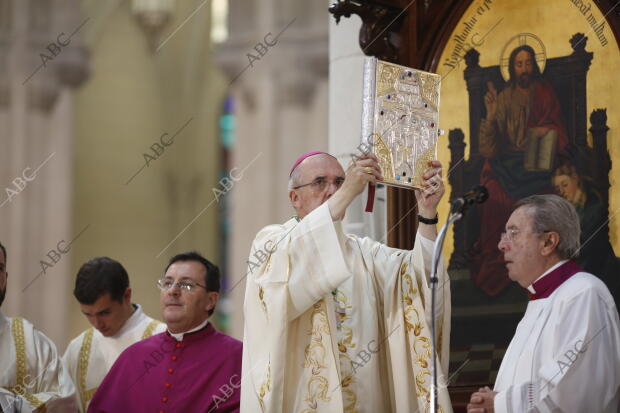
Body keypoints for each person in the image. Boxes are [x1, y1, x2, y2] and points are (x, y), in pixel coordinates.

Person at [241, 152, 452, 412]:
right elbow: (288, 278)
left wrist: (427, 215)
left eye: (340, 182)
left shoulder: (366, 254)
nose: (332, 190)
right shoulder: (272, 243)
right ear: (294, 197)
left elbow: (420, 284)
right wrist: (349, 190)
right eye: (320, 182)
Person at [467, 195, 620, 413]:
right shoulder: (543, 297)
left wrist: (499, 404)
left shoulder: (584, 294)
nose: (502, 244)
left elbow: (575, 391)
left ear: (548, 242)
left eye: (514, 233)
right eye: (504, 234)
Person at [88, 251, 242, 413]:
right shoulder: (133, 356)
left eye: (186, 285)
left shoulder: (236, 357)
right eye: (167, 283)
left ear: (210, 301)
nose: (173, 291)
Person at [472, 44, 569, 296]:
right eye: (518, 64)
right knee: (494, 197)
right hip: (507, 166)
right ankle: (501, 265)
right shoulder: (503, 98)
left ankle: (540, 267)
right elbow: (488, 150)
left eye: (527, 63)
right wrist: (491, 115)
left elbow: (560, 132)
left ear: (534, 66)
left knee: (545, 200)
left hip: (538, 165)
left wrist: (542, 134)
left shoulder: (545, 94)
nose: (523, 69)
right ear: (512, 68)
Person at [63, 257, 166, 412]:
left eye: (104, 313)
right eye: (88, 315)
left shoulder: (163, 340)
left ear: (127, 295)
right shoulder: (78, 348)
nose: (97, 324)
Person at [0, 240, 78, 412]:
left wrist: (13, 404)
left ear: (6, 277)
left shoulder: (31, 342)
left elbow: (67, 401)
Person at [552, 164, 620, 308]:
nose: (562, 191)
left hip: (600, 271)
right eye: (559, 188)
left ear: (576, 180)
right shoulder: (572, 211)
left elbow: (586, 247)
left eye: (565, 184)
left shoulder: (594, 208)